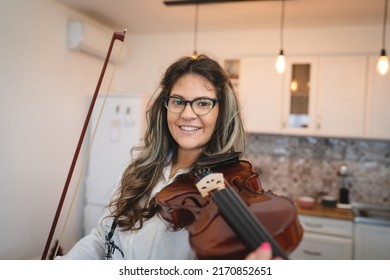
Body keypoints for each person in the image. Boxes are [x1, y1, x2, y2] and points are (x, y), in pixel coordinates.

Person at [57, 54, 275, 260]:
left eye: (203, 103)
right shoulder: (139, 169)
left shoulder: (223, 190)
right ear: (166, 107)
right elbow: (101, 238)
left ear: (222, 112)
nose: (187, 114)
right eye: (178, 101)